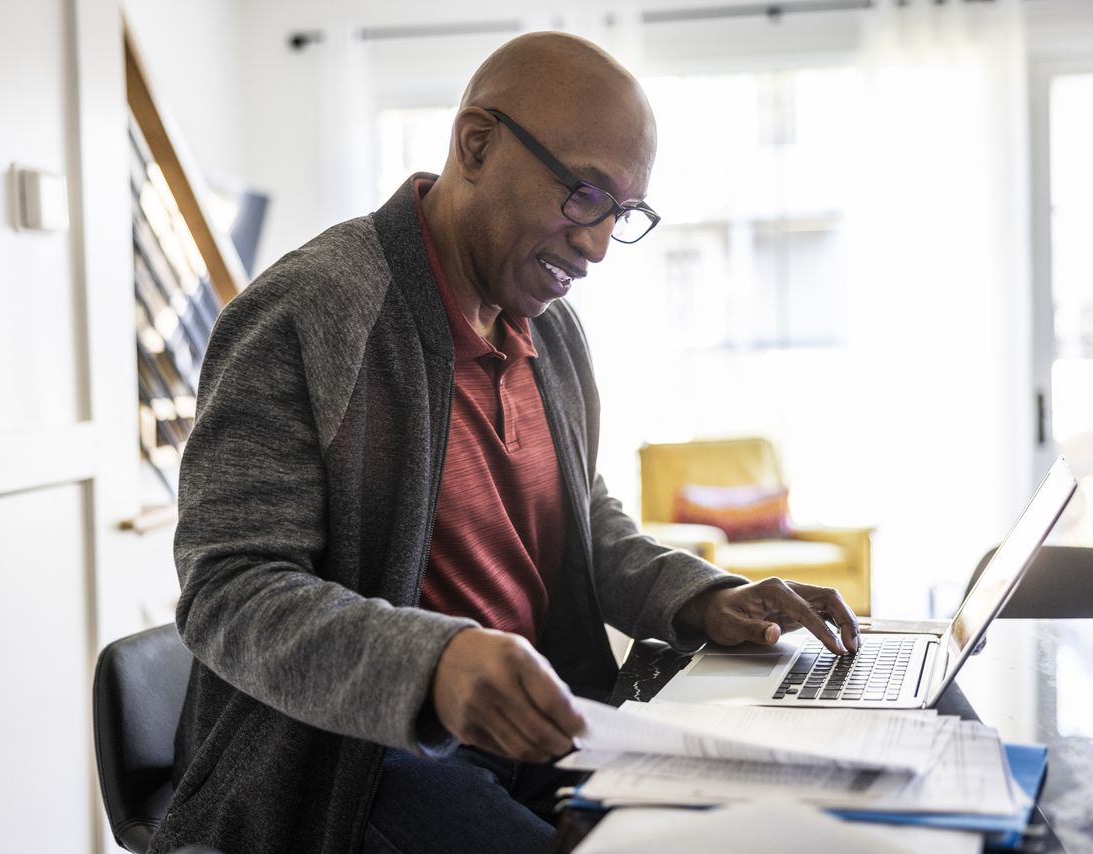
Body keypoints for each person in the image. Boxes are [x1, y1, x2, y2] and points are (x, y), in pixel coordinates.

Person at [149, 31, 860, 854]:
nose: (597, 244)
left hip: (546, 730)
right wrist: (435, 664)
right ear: (476, 144)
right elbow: (228, 591)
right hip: (357, 760)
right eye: (583, 193)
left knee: (776, 818)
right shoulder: (306, 314)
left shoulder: (550, 330)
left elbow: (584, 526)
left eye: (622, 213)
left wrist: (704, 597)